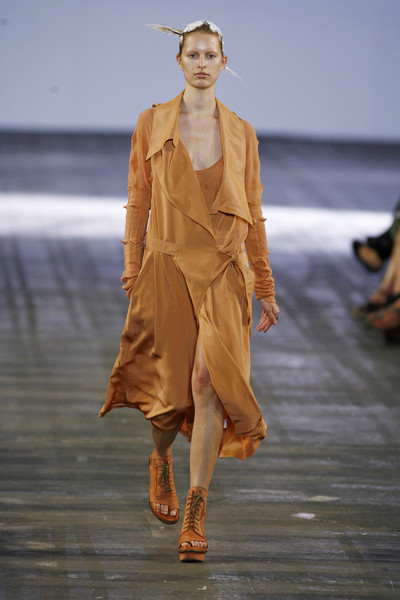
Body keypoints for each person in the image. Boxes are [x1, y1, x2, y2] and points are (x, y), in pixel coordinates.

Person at [99, 20, 279, 562]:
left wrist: (265, 284)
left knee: (207, 384)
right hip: (168, 263)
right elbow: (138, 197)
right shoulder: (152, 122)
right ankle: (161, 457)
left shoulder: (242, 132)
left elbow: (253, 210)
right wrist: (132, 268)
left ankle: (196, 513)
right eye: (193, 55)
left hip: (223, 270)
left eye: (210, 55)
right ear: (179, 61)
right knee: (170, 394)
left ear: (224, 62)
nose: (202, 63)